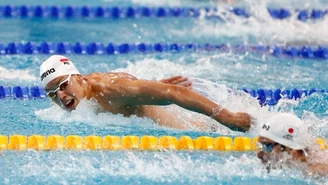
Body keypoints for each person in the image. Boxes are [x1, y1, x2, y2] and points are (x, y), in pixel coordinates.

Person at [39, 55, 252, 132]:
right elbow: (128, 85)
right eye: (52, 94)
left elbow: (174, 92)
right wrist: (149, 90)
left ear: (78, 77)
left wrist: (227, 117)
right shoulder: (86, 95)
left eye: (63, 85)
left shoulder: (110, 90)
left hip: (208, 131)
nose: (60, 96)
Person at [257, 113, 328, 177]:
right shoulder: (294, 166)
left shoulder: (318, 172)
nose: (259, 155)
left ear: (291, 148)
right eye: (260, 146)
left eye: (267, 146)